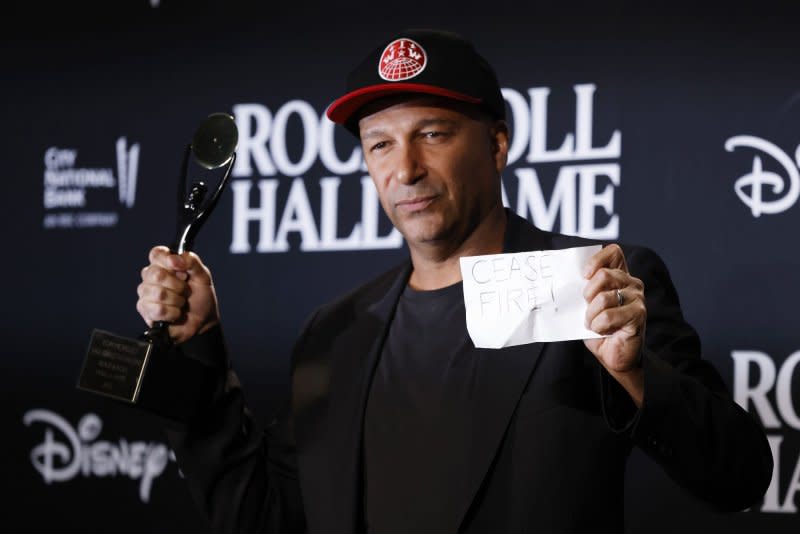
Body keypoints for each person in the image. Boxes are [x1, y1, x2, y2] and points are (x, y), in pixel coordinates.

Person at [135, 29, 772, 533]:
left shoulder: (598, 284)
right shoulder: (333, 332)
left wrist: (635, 376)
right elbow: (267, 517)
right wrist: (199, 346)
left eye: (431, 135)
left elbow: (739, 476)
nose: (404, 170)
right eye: (379, 145)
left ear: (497, 144)